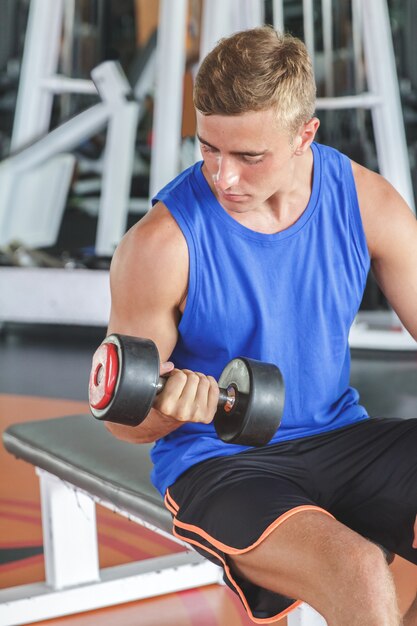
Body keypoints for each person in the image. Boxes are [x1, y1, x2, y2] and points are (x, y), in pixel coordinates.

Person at [104, 26, 417, 626]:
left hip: (342, 437)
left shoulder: (365, 202)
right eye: (209, 148)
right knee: (356, 569)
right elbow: (126, 419)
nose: (224, 177)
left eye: (249, 156)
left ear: (306, 135)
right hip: (220, 462)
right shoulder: (161, 246)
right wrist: (173, 408)